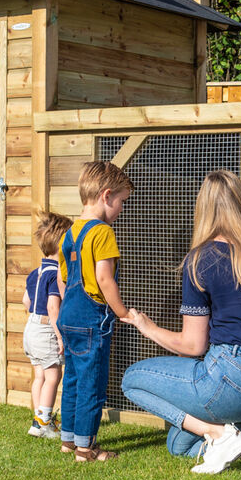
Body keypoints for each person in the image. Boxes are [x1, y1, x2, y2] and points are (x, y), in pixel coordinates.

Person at [120, 169, 241, 474]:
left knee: (131, 380)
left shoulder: (202, 259)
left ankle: (222, 435)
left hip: (234, 382)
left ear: (203, 209)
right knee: (178, 444)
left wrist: (148, 327)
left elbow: (193, 345)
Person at [56, 161, 133, 463]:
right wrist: (123, 312)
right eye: (122, 202)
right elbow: (104, 279)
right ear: (106, 195)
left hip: (68, 314)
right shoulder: (102, 233)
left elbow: (63, 279)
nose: (121, 209)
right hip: (91, 316)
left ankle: (68, 440)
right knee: (92, 382)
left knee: (73, 378)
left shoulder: (70, 233)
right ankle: (86, 449)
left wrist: (66, 312)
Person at [22, 211, 73, 439]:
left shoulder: (35, 272)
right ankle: (45, 422)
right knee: (54, 376)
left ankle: (38, 420)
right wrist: (60, 336)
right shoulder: (57, 273)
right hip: (45, 329)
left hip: (30, 327)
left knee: (40, 375)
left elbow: (26, 301)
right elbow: (53, 308)